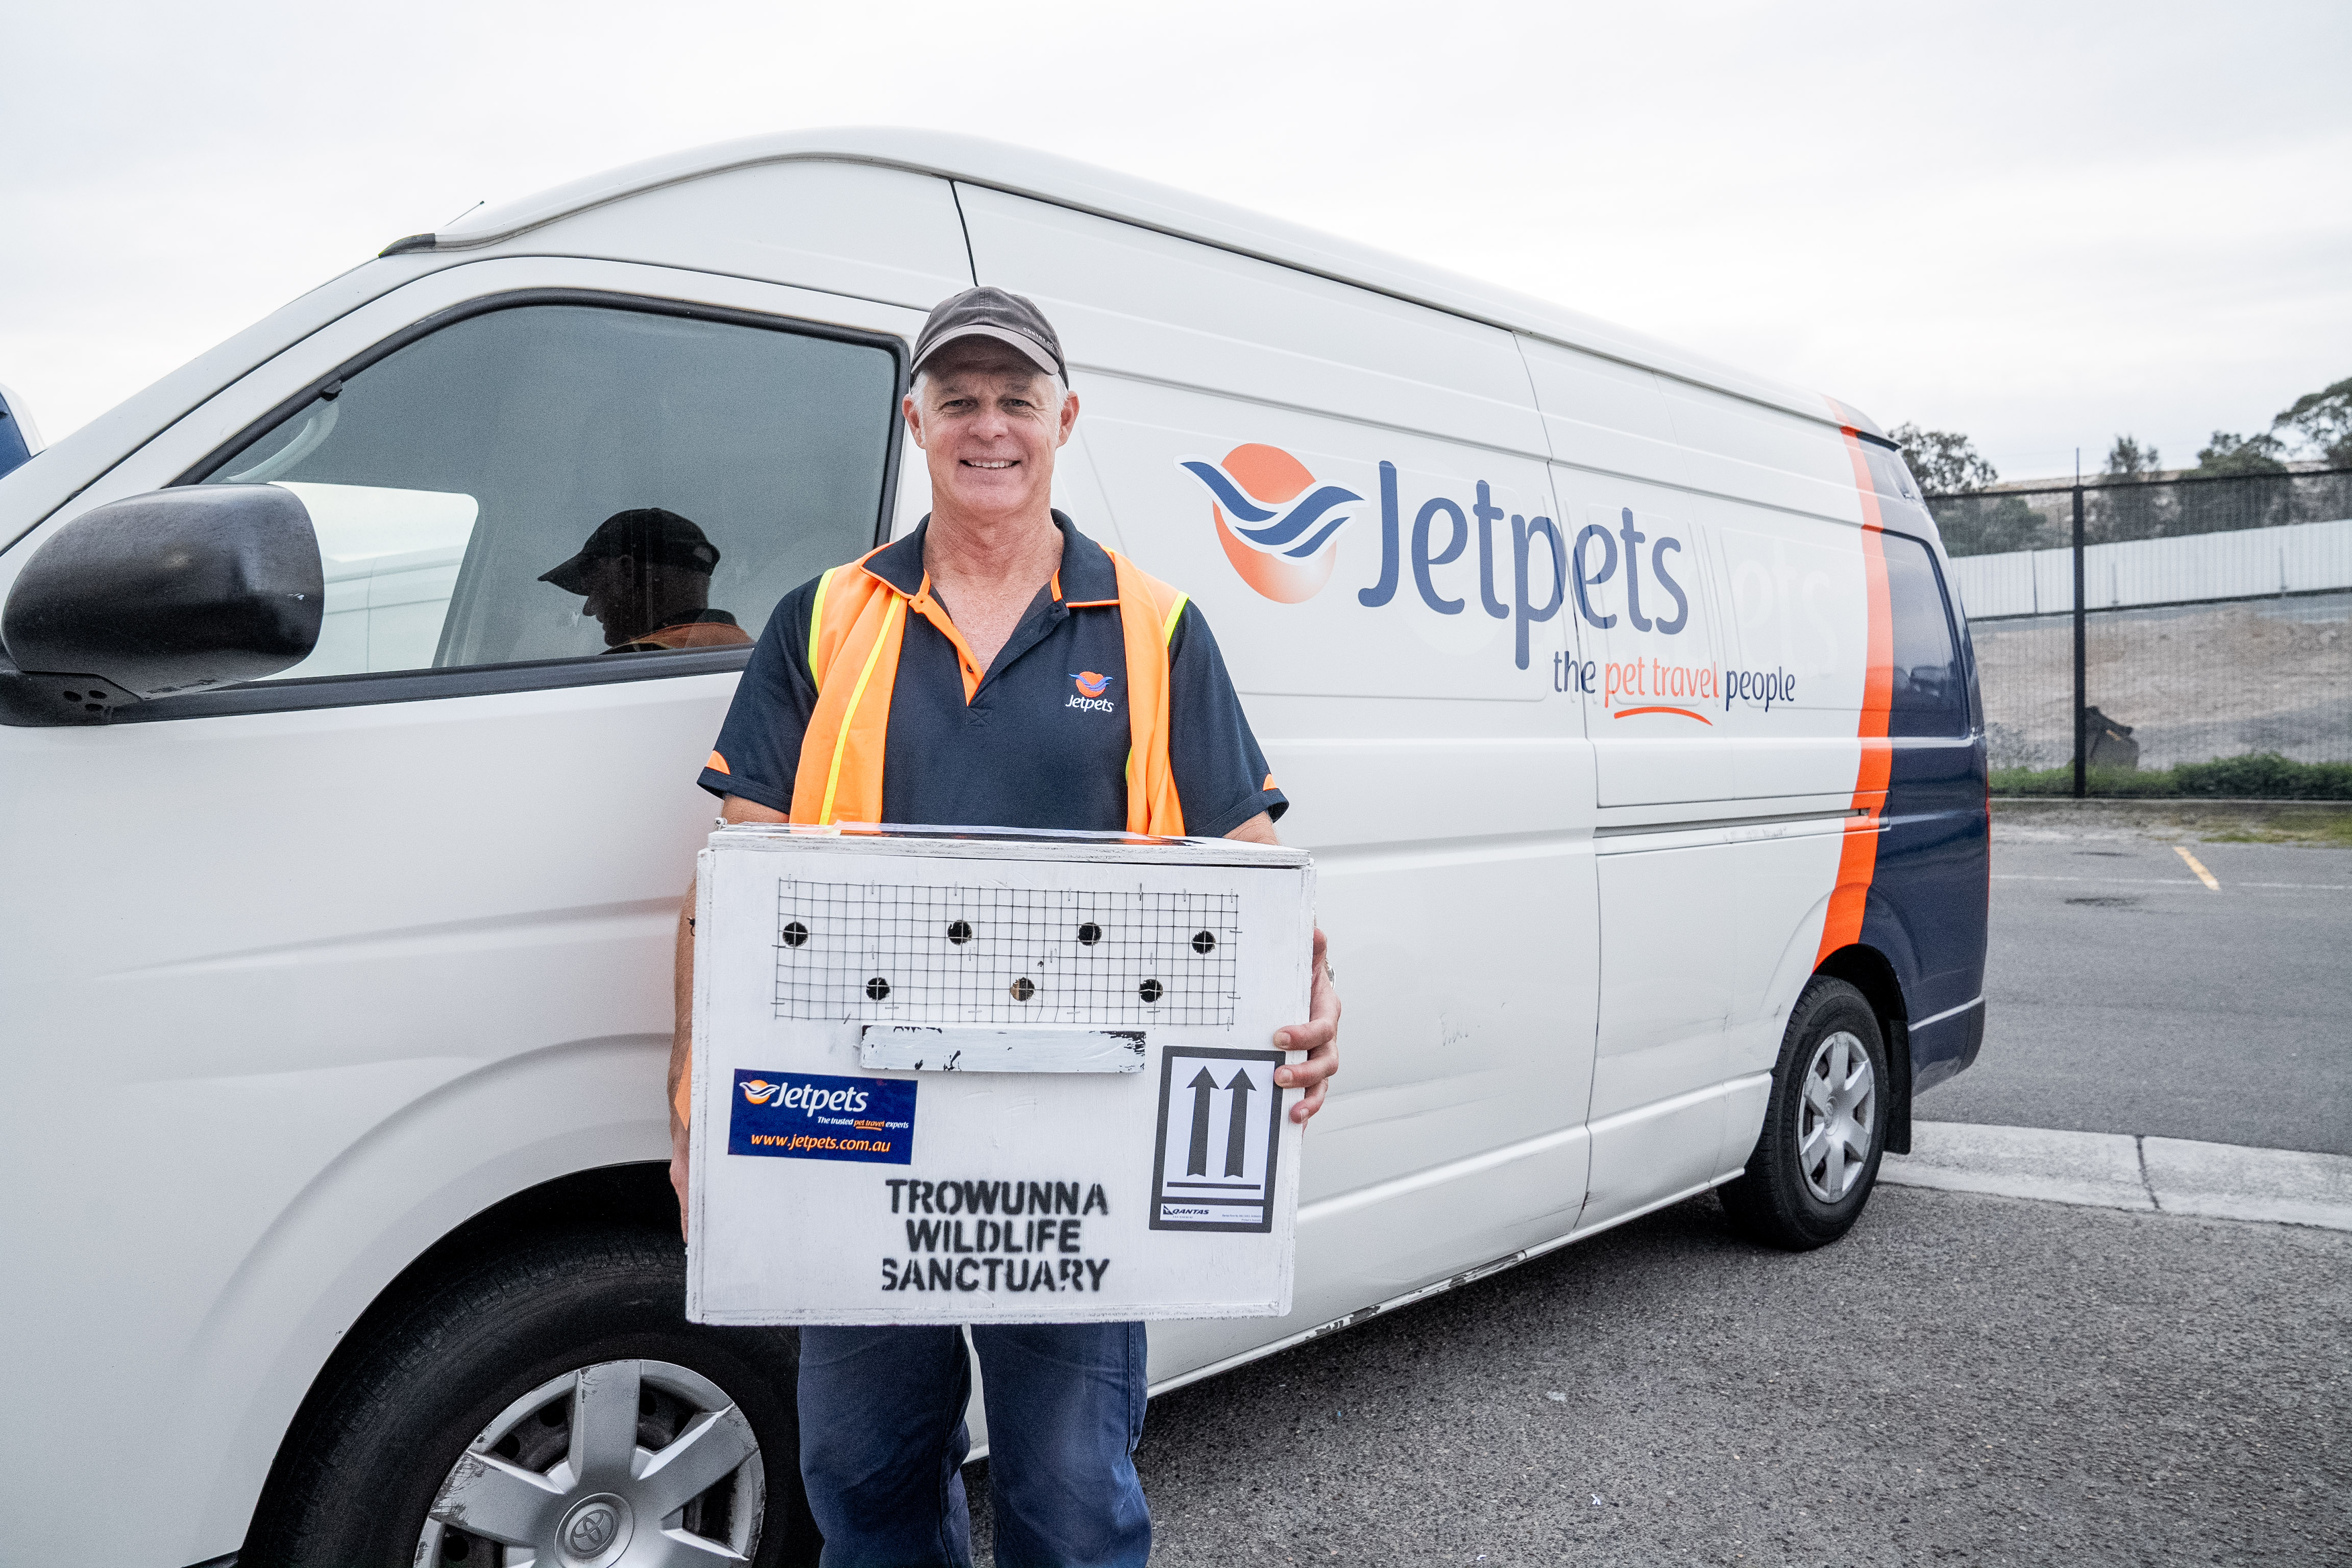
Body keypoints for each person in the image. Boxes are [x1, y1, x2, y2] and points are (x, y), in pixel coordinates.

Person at [668, 286, 1340, 1567]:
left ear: (1064, 418)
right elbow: (728, 887)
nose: (990, 427)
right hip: (858, 1131)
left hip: (1076, 1144)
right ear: (914, 418)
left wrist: (1315, 996)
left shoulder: (1155, 630)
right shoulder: (821, 623)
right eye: (960, 399)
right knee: (862, 1482)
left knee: (1073, 1494)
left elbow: (1253, 879)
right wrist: (693, 1111)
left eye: (1016, 399)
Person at [540, 505, 754, 653]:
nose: (588, 609)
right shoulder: (756, 656)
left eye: (596, 589)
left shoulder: (627, 671)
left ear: (627, 573)